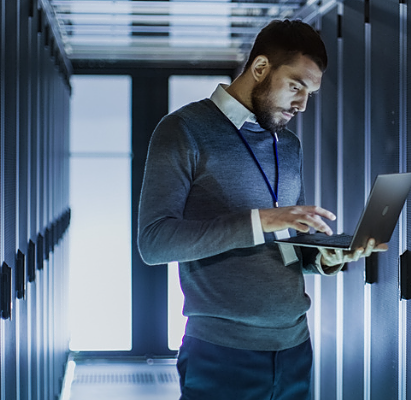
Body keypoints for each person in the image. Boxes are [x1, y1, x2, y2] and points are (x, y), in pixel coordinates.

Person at [137, 19, 386, 399]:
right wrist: (261, 220)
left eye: (310, 94)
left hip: (294, 348)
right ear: (260, 68)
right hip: (221, 353)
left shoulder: (287, 145)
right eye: (295, 86)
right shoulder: (182, 130)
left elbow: (287, 244)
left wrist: (326, 258)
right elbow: (154, 243)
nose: (302, 104)